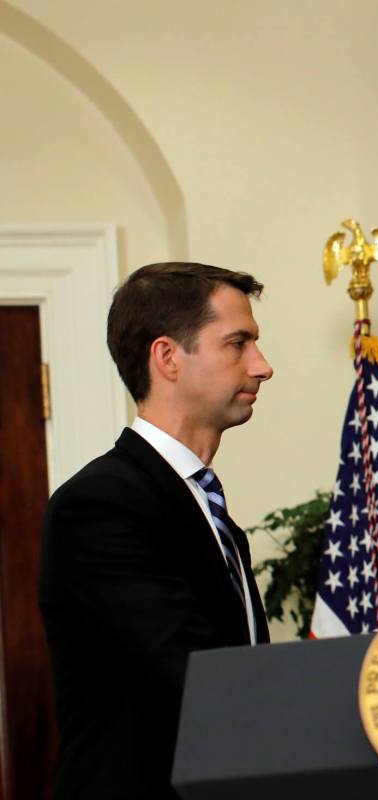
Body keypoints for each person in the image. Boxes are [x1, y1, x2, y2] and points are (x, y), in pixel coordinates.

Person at [40, 262, 274, 799]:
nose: (262, 367)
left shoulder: (210, 511)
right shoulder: (99, 506)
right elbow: (199, 675)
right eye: (238, 343)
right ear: (168, 357)